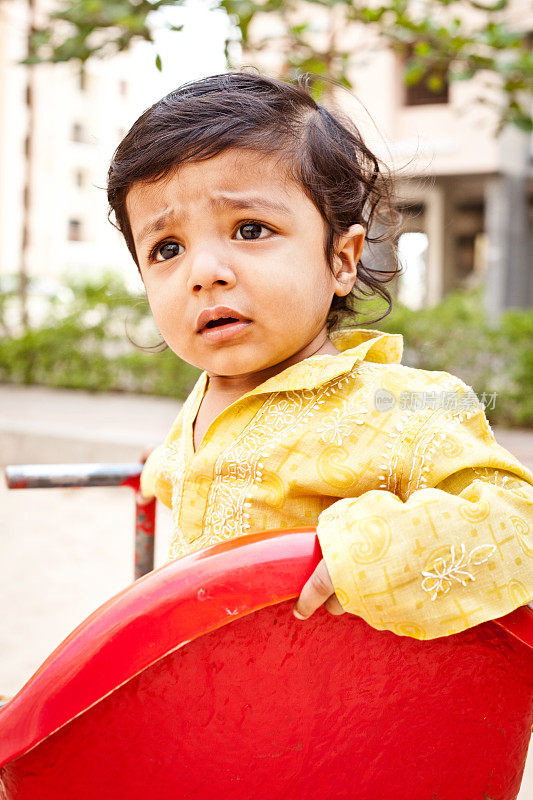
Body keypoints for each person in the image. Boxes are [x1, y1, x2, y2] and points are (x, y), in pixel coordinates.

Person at [107, 70, 533, 640]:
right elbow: (218, 468)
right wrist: (163, 467)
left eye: (250, 229)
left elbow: (519, 522)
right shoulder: (210, 395)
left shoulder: (397, 404)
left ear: (342, 259)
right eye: (167, 248)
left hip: (339, 714)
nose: (204, 273)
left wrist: (375, 551)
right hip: (215, 705)